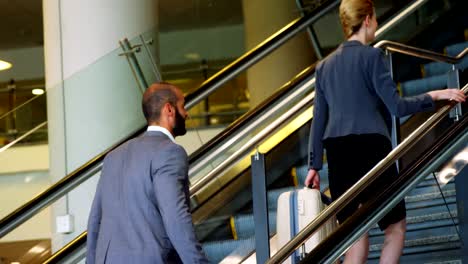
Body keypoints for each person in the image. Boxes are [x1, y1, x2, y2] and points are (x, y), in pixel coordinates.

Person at [304, 0, 466, 263]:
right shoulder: (372, 56)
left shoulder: (324, 66)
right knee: (395, 227)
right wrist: (435, 95)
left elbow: (319, 119)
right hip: (371, 148)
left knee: (355, 236)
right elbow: (397, 107)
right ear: (367, 20)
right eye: (376, 19)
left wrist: (314, 166)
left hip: (338, 153)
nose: (377, 25)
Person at [87, 82, 210, 264]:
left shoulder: (113, 156)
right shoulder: (169, 152)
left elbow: (95, 221)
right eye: (183, 106)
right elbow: (175, 216)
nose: (186, 113)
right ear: (169, 109)